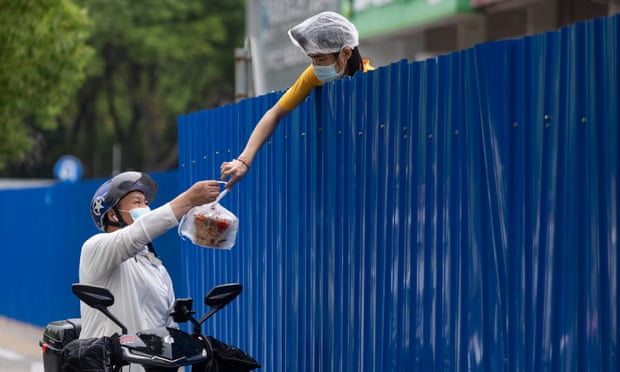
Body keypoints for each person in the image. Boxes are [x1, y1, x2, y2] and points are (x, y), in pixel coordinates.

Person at [220, 11, 374, 189]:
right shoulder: (313, 76)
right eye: (312, 58)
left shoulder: (371, 78)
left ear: (346, 53)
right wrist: (243, 161)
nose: (316, 66)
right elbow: (275, 113)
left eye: (321, 59)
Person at [78, 171, 221, 343]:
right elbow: (134, 236)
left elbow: (171, 330)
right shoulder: (95, 248)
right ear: (113, 214)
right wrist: (188, 200)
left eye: (146, 203)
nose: (145, 209)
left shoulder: (158, 269)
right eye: (137, 202)